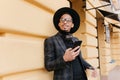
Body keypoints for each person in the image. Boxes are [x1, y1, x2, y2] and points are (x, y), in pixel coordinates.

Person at [44, 7, 97, 80]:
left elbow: (80, 59)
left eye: (68, 20)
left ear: (72, 25)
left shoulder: (75, 40)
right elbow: (48, 66)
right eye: (62, 20)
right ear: (59, 24)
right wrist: (64, 58)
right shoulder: (51, 40)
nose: (65, 22)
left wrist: (90, 67)